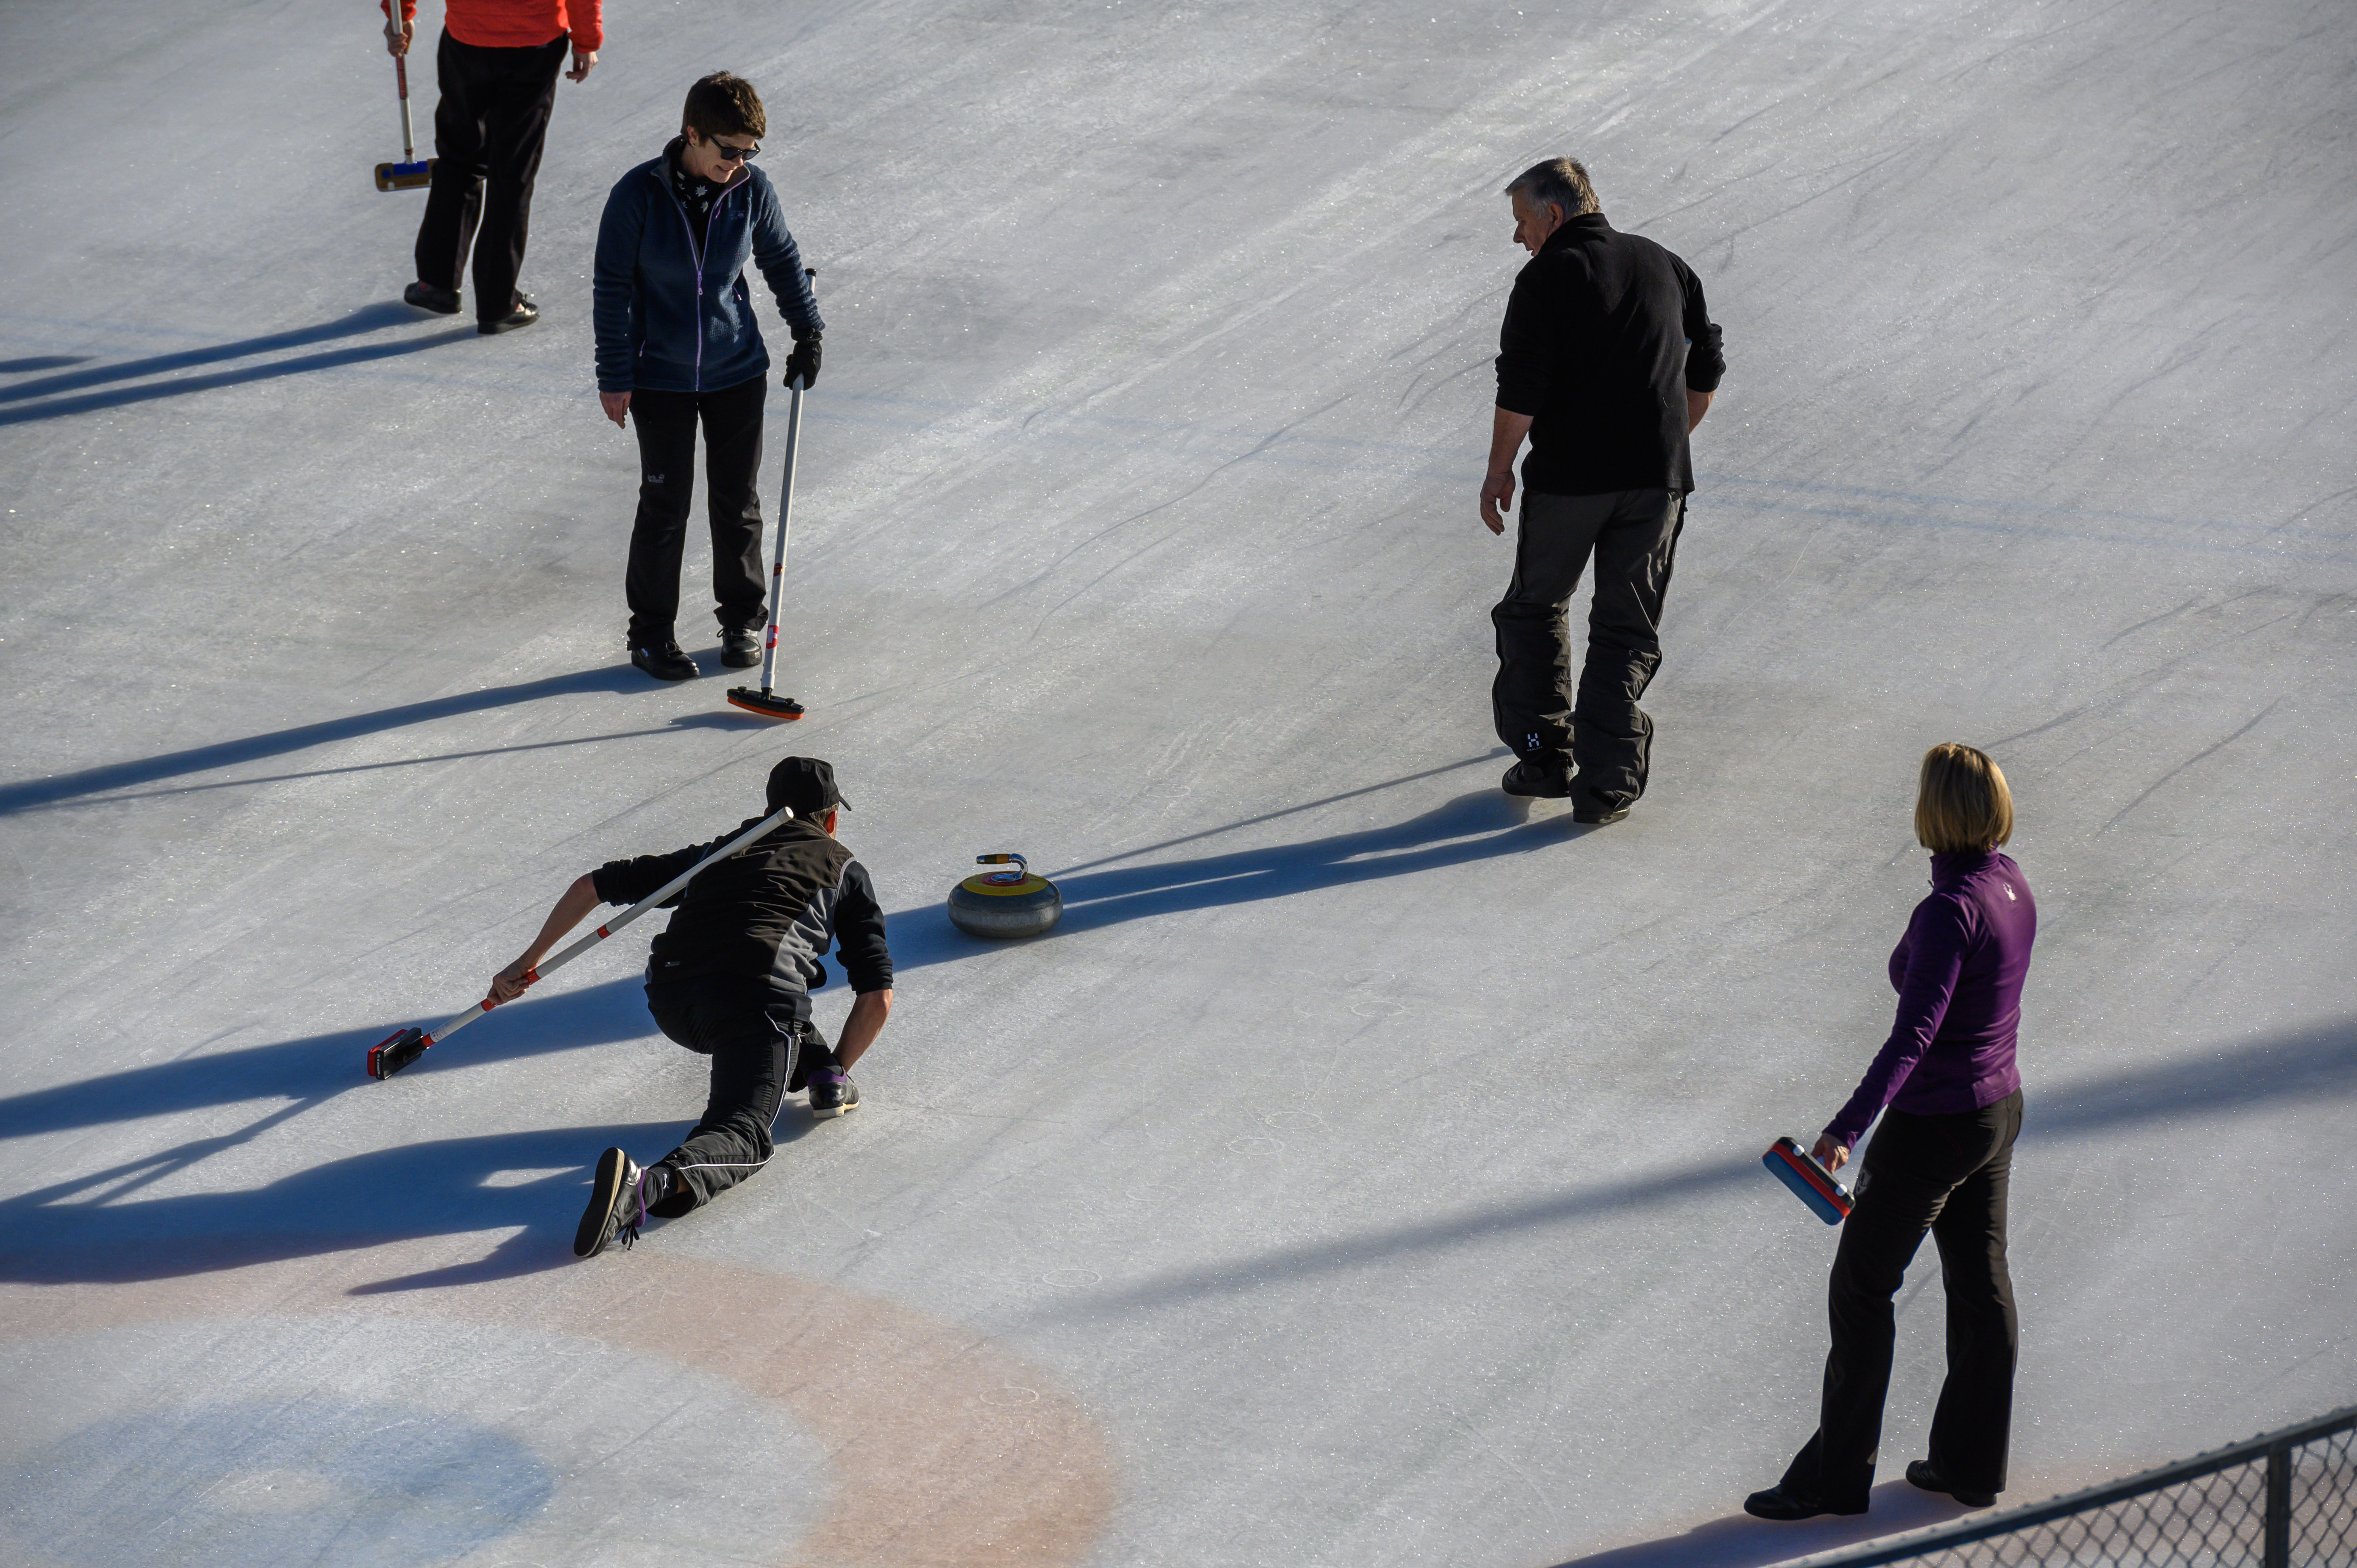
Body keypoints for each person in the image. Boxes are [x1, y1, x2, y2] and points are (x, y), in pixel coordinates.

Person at [1746, 744, 2036, 1520]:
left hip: (1935, 1124)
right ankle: (1969, 1464)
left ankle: (1830, 1478)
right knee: (1979, 1282)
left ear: (1932, 810)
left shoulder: (1948, 911)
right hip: (1995, 1111)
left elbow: (1911, 1037)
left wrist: (1845, 1130)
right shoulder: (2009, 884)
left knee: (1861, 1289)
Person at [483, 757, 892, 1259]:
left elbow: (593, 886)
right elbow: (877, 998)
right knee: (743, 1132)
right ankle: (645, 1189)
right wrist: (850, 1066)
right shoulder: (843, 867)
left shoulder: (725, 850)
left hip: (673, 998)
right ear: (831, 818)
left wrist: (527, 964)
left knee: (782, 1012)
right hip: (754, 1002)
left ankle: (821, 1071)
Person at [1479, 157, 1725, 825]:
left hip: (1570, 482)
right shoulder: (1667, 264)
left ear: (1553, 215)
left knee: (1534, 608)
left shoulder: (1546, 277)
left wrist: (1499, 470)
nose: (1518, 237)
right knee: (1624, 625)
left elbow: (1521, 387)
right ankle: (1608, 782)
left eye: (1522, 221)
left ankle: (1544, 754)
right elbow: (1704, 368)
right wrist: (1666, 441)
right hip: (1656, 481)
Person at [592, 72, 825, 683]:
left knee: (736, 500)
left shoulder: (751, 190)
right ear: (692, 135)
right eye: (729, 150)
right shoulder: (638, 194)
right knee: (665, 504)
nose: (738, 162)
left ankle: (743, 618)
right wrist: (614, 374)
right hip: (659, 374)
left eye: (750, 151)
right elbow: (611, 287)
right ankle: (650, 634)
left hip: (735, 370)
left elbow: (779, 256)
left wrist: (808, 332)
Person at [382, 0, 601, 334]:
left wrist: (401, 15)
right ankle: (498, 303)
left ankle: (437, 283)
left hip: (468, 38)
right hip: (534, 43)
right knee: (513, 172)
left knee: (459, 158)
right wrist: (586, 41)